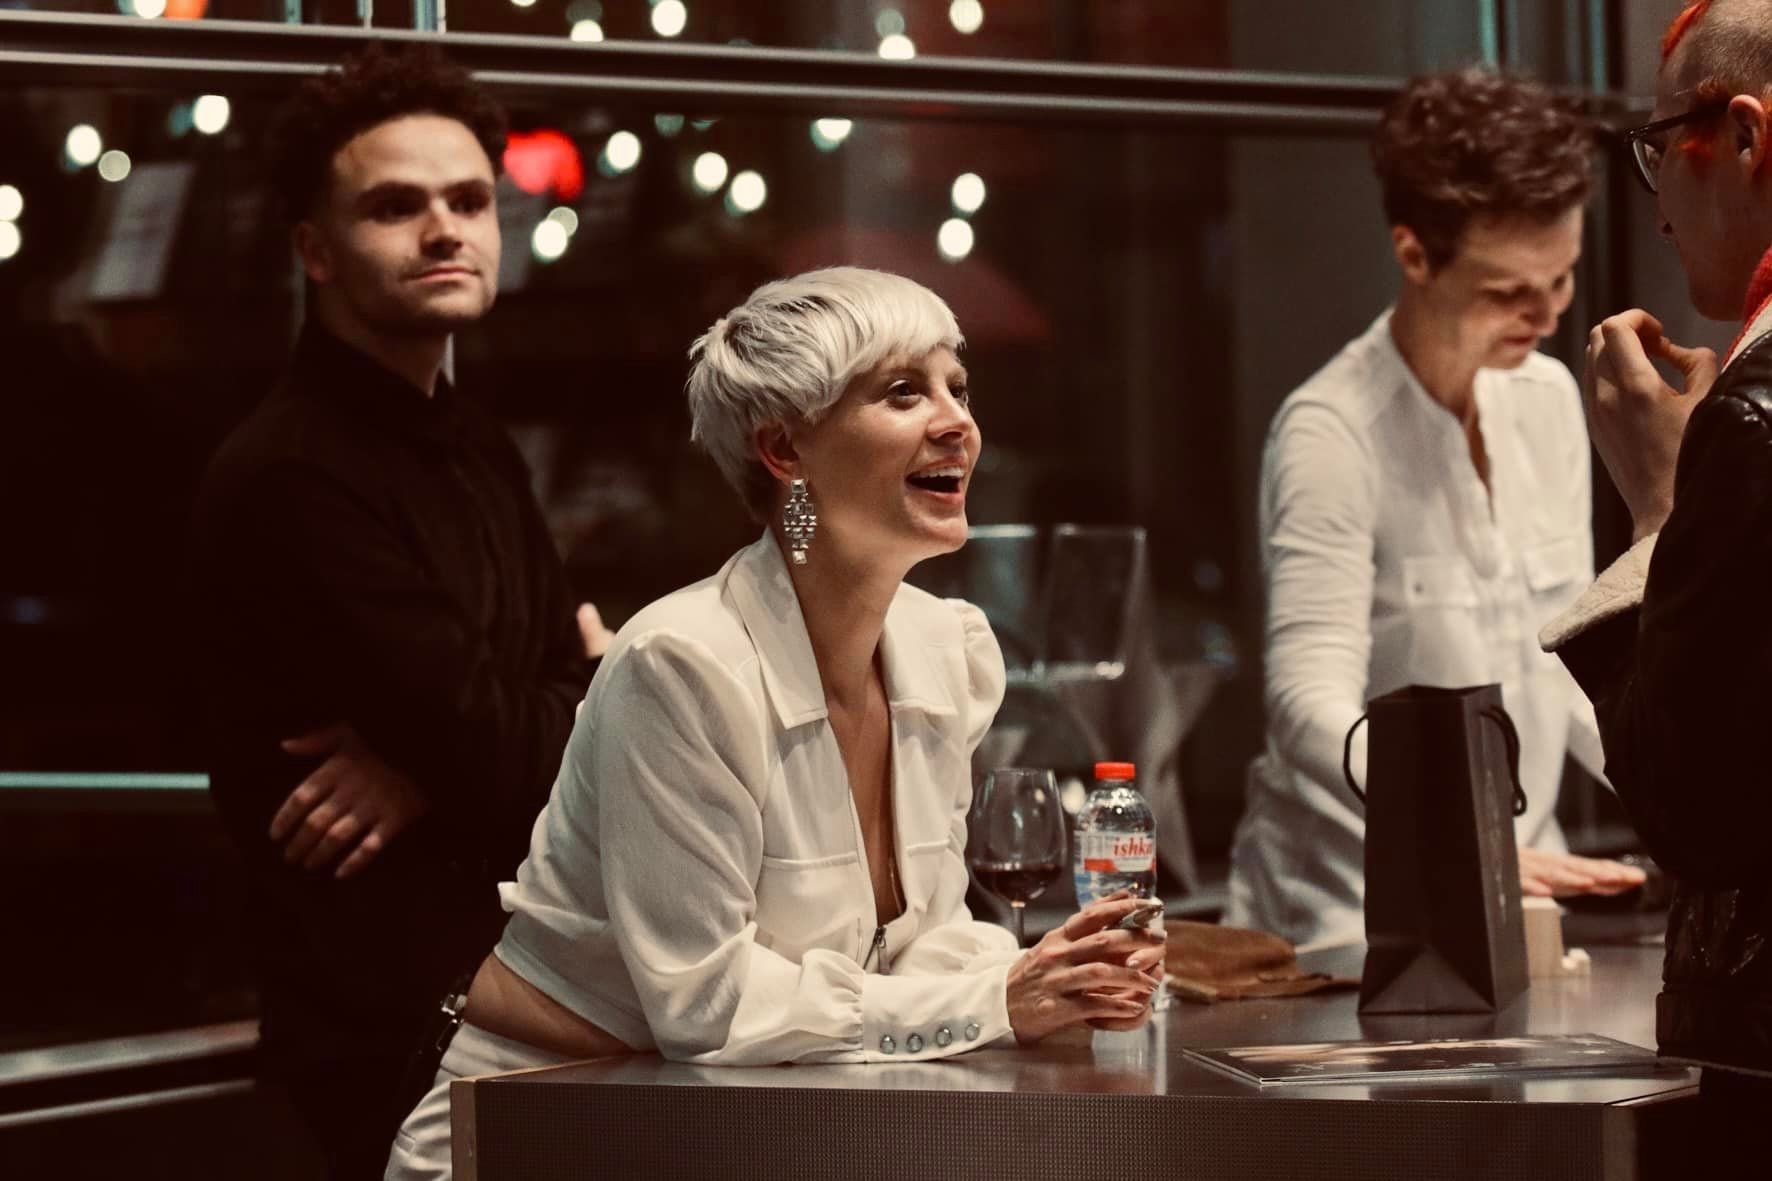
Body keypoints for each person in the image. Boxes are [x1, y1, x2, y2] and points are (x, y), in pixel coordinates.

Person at [384, 267, 1166, 1179]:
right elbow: (706, 1004)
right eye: (903, 391)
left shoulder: (947, 650)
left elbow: (926, 937)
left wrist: (1056, 974)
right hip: (540, 1122)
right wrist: (997, 996)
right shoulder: (682, 665)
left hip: (739, 1121)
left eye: (958, 387)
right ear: (784, 449)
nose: (957, 421)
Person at [188, 46, 609, 1179]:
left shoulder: (472, 438)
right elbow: (524, 734)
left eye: (469, 200)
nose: (444, 231)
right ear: (314, 251)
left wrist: (429, 763)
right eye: (394, 207)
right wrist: (514, 724)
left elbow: (543, 711)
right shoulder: (291, 473)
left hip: (511, 989)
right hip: (385, 1034)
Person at [1225, 66, 1645, 949]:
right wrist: (1461, 831)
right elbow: (1305, 701)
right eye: (1507, 290)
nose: (1547, 313)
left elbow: (1568, 660)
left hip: (1524, 888)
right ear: (1414, 254)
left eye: (1562, 278)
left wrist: (1697, 802)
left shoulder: (1546, 397)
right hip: (1348, 910)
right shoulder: (1332, 431)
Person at [1540, 0, 1772, 1150]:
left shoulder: (1749, 414)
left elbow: (1694, 807)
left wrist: (1654, 510)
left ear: (1743, 137)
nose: (1657, 205)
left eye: (1658, 142)